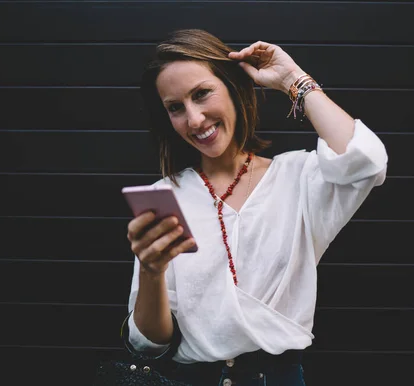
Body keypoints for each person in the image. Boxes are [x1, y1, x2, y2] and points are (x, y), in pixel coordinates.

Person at [125, 29, 388, 386]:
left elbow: (367, 161)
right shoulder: (165, 195)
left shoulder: (298, 177)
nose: (195, 119)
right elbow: (148, 343)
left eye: (202, 94)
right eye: (176, 108)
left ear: (232, 88)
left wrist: (293, 79)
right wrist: (151, 270)